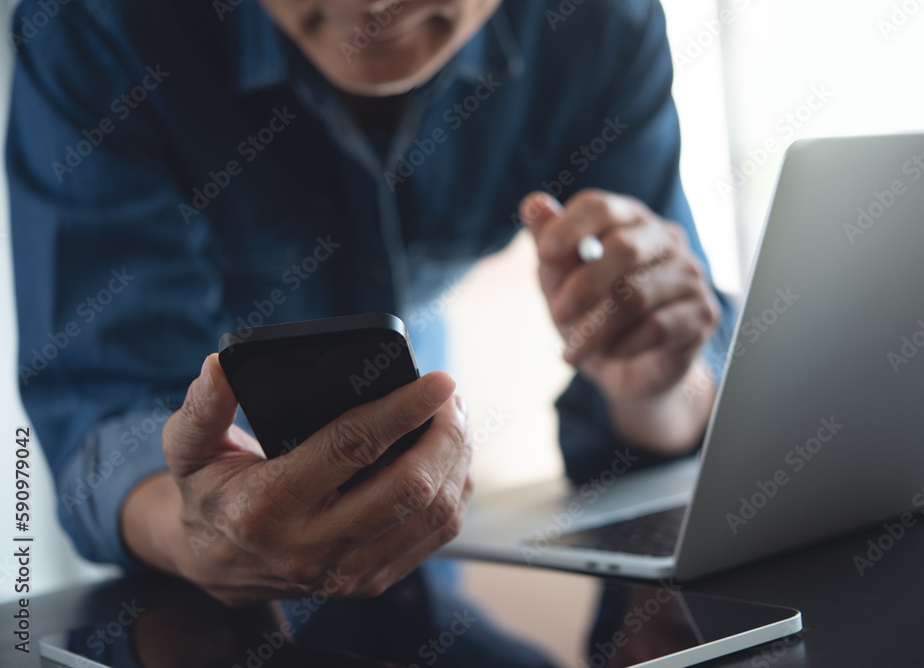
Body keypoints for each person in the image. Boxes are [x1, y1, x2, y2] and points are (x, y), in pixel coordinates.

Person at [8, 0, 733, 663]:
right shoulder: (98, 28)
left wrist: (659, 386)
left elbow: (677, 366)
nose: (378, 5)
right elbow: (103, 401)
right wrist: (194, 527)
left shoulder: (598, 22)